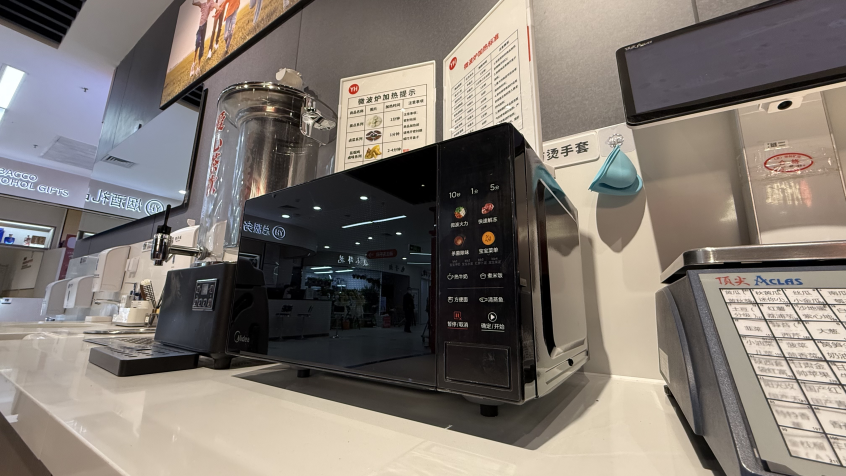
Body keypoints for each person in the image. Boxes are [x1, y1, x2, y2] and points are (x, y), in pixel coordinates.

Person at [191, 0, 215, 76]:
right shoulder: (203, 5)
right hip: (200, 27)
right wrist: (193, 2)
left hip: (204, 27)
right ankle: (193, 64)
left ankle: (198, 67)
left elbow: (215, 5)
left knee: (201, 46)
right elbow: (196, 3)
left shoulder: (211, 3)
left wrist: (218, 8)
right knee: (197, 42)